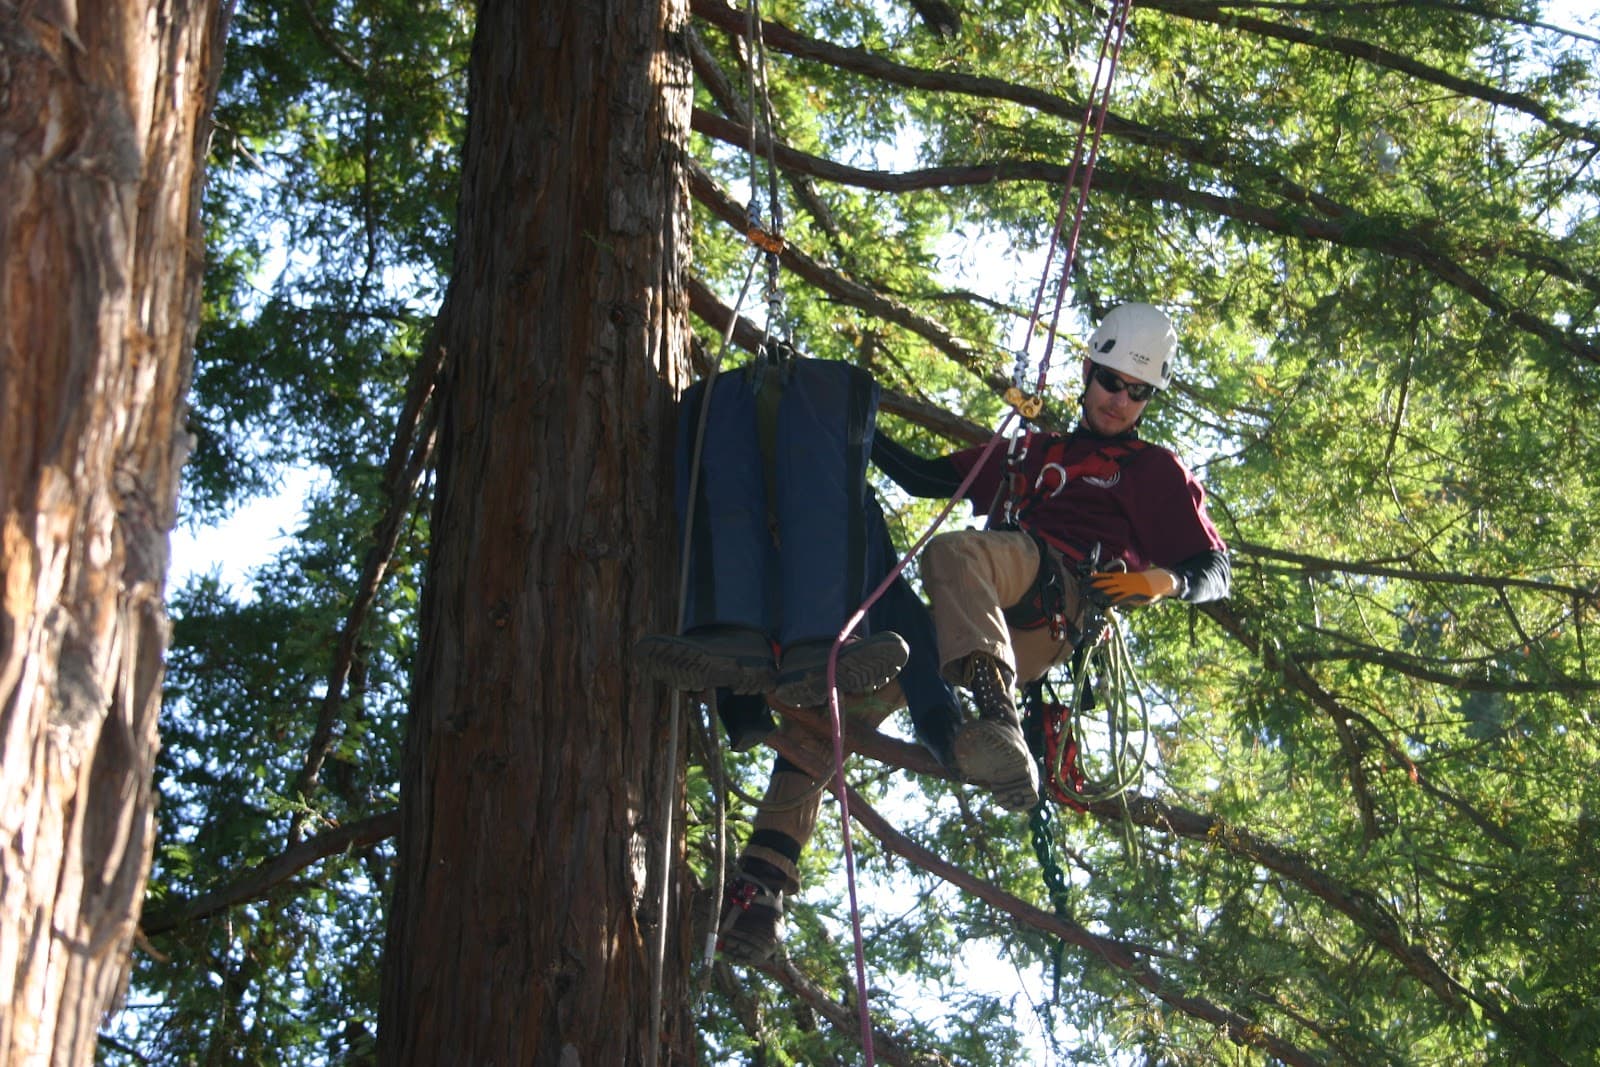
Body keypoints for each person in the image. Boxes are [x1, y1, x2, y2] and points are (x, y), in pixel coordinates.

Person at [873, 302, 1231, 812]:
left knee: (955, 552)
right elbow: (922, 477)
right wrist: (850, 422)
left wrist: (1164, 581)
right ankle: (768, 871)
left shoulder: (1152, 469)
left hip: (1062, 599)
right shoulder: (1031, 454)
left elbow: (1216, 569)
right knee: (859, 691)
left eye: (1139, 391)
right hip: (982, 618)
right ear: (1087, 371)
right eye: (1111, 381)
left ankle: (999, 719)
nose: (1120, 401)